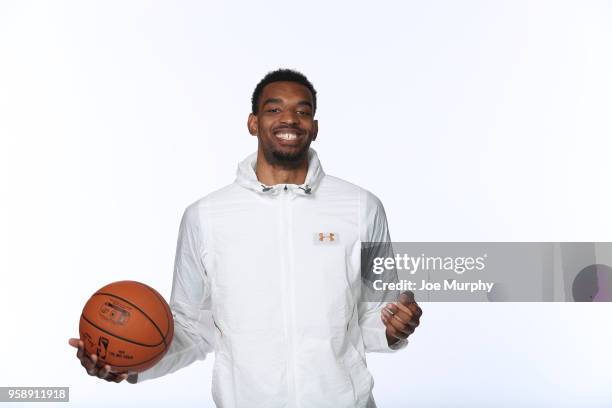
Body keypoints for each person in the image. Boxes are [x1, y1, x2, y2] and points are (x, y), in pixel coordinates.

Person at [69, 68, 422, 407]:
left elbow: (376, 314)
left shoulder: (361, 207)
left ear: (314, 128)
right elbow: (193, 328)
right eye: (274, 109)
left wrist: (395, 329)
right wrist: (129, 364)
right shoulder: (205, 216)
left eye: (302, 111)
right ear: (253, 123)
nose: (289, 118)